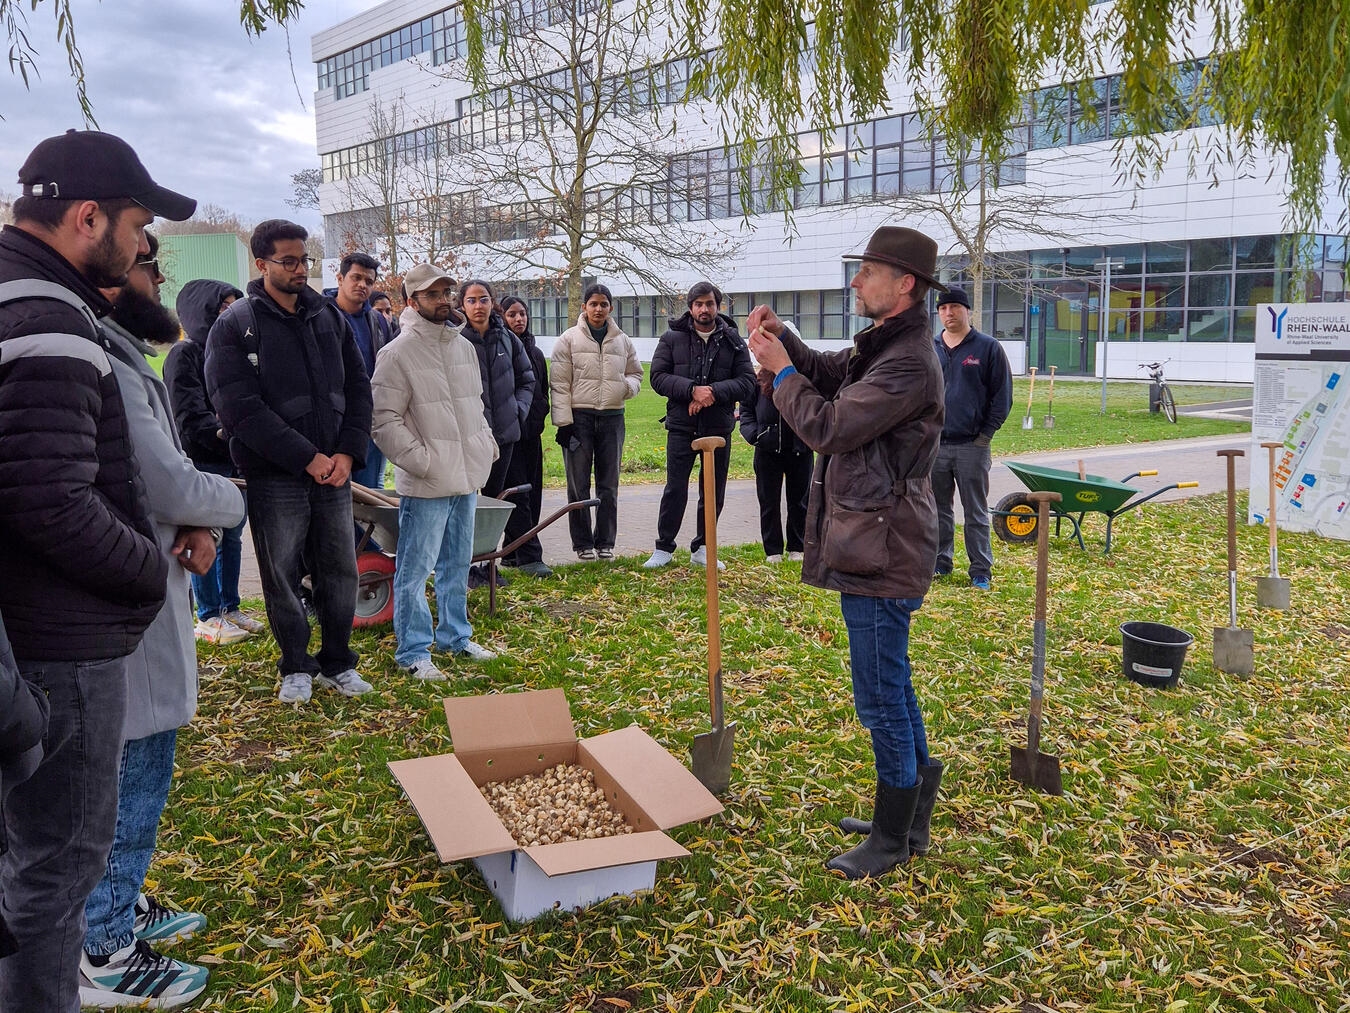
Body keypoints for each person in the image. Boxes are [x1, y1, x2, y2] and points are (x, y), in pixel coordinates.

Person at [0, 128, 194, 1012]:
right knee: (62, 858)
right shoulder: (48, 319)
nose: (141, 245)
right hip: (58, 641)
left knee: (42, 854)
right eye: (137, 223)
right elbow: (50, 502)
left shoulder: (30, 297)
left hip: (37, 631)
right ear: (88, 217)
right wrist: (146, 571)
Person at [746, 225, 946, 880]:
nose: (856, 281)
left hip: (882, 549)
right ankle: (909, 815)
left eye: (867, 271)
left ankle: (891, 836)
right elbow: (833, 374)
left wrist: (778, 374)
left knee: (880, 694)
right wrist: (790, 346)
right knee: (894, 680)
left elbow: (829, 425)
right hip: (880, 539)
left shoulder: (911, 360)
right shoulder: (889, 344)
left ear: (904, 283)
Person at [79, 241, 244, 1005]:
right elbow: (164, 477)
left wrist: (191, 521)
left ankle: (116, 898)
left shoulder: (116, 348)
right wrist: (223, 503)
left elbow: (160, 489)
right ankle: (104, 944)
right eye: (148, 259)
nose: (160, 279)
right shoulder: (102, 356)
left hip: (144, 575)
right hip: (119, 600)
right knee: (130, 766)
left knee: (138, 760)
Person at [205, 219, 375, 705]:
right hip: (276, 475)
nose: (301, 269)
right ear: (261, 264)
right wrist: (307, 457)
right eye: (289, 261)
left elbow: (358, 386)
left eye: (305, 259)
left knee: (340, 569)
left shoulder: (327, 316)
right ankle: (296, 665)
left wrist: (347, 451)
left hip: (335, 471)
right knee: (280, 571)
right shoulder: (236, 325)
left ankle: (338, 663)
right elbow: (238, 409)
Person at [371, 264, 500, 679]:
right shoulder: (396, 353)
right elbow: (383, 422)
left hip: (466, 477)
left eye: (447, 292)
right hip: (426, 482)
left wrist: (485, 446)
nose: (443, 300)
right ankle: (413, 652)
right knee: (413, 571)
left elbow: (476, 406)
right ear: (412, 301)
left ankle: (455, 636)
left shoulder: (462, 347)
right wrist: (422, 461)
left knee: (457, 564)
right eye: (433, 294)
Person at [165, 276, 259, 645]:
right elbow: (188, 414)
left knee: (234, 536)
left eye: (234, 304)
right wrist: (226, 436)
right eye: (223, 305)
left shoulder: (231, 352)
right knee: (207, 537)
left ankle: (229, 606)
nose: (229, 311)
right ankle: (207, 615)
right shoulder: (184, 354)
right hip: (205, 461)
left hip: (235, 459)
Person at [644, 282, 756, 571]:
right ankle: (664, 547)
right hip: (682, 426)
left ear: (718, 306)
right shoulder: (672, 338)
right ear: (690, 307)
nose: (704, 309)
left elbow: (747, 382)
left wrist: (711, 394)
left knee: (713, 490)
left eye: (710, 303)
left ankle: (704, 547)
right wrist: (692, 390)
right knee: (675, 488)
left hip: (718, 428)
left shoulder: (733, 340)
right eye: (698, 304)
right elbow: (657, 377)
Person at [550, 284, 642, 560]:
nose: (598, 309)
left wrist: (625, 388)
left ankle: (605, 542)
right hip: (579, 419)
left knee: (609, 484)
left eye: (603, 304)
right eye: (593, 304)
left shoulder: (622, 340)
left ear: (610, 307)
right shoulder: (568, 340)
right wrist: (563, 423)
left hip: (613, 418)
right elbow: (559, 384)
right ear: (584, 307)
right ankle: (582, 544)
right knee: (578, 484)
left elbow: (636, 374)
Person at [931, 287, 1013, 590]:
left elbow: (1002, 397)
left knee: (975, 511)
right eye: (943, 308)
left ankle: (980, 570)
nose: (948, 313)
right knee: (938, 510)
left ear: (968, 311)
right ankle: (941, 562)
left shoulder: (987, 348)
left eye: (954, 307)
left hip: (972, 447)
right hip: (935, 446)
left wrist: (985, 436)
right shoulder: (931, 346)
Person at [458, 279, 534, 587]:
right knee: (464, 505)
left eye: (484, 299)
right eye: (472, 300)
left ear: (493, 304)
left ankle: (488, 567)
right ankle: (463, 566)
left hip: (503, 436)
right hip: (467, 437)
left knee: (492, 503)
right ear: (462, 305)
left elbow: (527, 378)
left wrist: (517, 411)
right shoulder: (454, 340)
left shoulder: (507, 338)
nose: (478, 306)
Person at [325, 252, 392, 490]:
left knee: (370, 492)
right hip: (334, 421)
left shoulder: (378, 321)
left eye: (369, 281)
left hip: (370, 418)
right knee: (339, 492)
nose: (362, 285)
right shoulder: (320, 316)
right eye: (356, 277)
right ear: (340, 278)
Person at [498, 295, 553, 578]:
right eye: (512, 314)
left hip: (532, 434)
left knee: (534, 495)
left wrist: (539, 416)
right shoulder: (499, 347)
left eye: (522, 314)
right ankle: (531, 556)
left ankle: (512, 551)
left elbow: (541, 390)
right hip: (509, 435)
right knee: (517, 494)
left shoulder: (535, 351)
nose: (518, 319)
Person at [739, 379, 813, 563]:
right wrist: (756, 436)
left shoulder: (804, 379)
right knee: (768, 501)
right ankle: (773, 551)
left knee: (800, 501)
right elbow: (746, 412)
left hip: (800, 449)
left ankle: (797, 548)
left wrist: (811, 435)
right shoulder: (758, 382)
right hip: (767, 450)